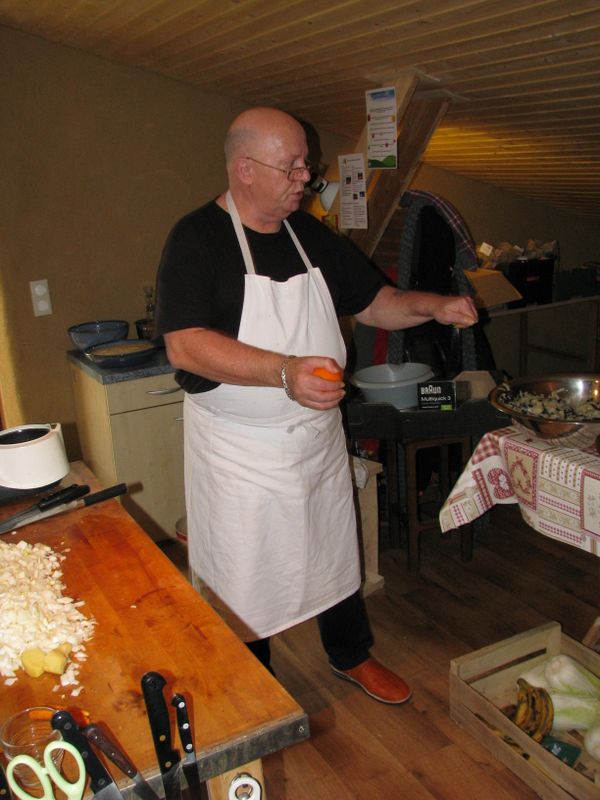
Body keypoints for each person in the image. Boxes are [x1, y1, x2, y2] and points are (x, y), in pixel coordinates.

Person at [154, 106, 478, 704]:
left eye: (307, 163)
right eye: (293, 166)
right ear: (245, 168)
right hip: (239, 452)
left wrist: (432, 305)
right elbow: (186, 345)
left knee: (332, 548)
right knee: (244, 573)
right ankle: (256, 690)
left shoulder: (308, 235)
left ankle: (351, 654)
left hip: (316, 436)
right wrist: (283, 371)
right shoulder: (196, 239)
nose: (306, 177)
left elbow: (375, 301)